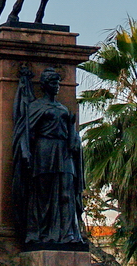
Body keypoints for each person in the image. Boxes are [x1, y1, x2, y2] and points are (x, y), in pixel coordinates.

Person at [12, 66, 84, 245]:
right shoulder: (36, 106)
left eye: (58, 82)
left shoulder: (63, 108)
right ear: (44, 85)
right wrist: (26, 152)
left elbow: (72, 132)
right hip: (45, 151)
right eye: (53, 82)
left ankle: (68, 234)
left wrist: (75, 139)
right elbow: (25, 133)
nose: (57, 85)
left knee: (66, 192)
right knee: (42, 196)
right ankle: (41, 233)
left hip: (64, 151)